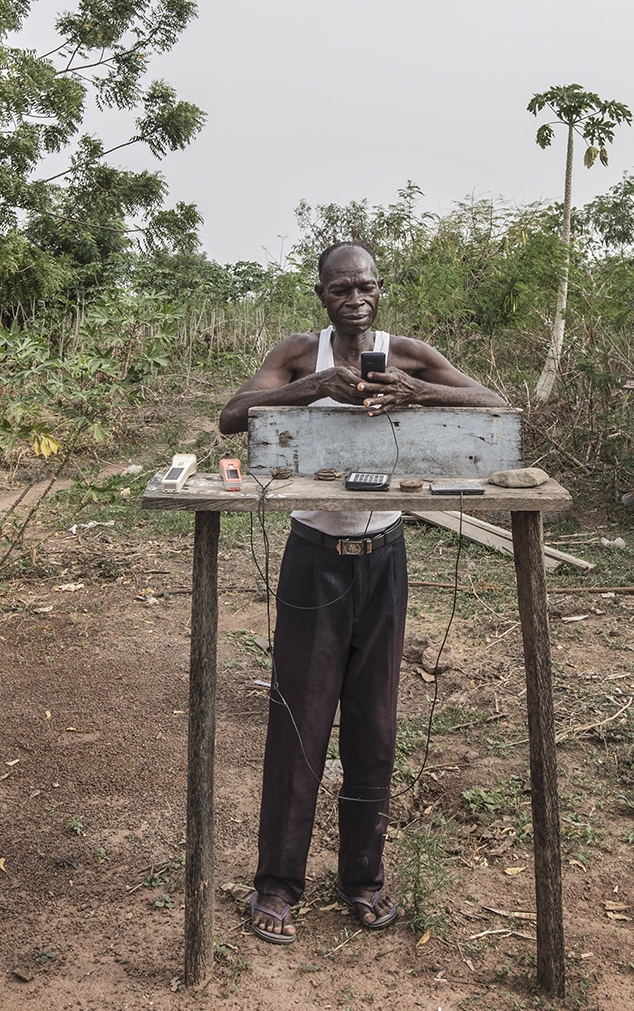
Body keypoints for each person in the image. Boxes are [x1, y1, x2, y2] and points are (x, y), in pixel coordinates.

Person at [219, 241, 506, 944]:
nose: (356, 298)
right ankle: (277, 885)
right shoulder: (298, 352)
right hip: (313, 556)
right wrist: (311, 388)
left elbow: (496, 404)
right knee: (299, 723)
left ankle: (363, 878)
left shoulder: (405, 353)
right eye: (342, 287)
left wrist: (419, 393)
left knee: (374, 723)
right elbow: (232, 417)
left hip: (383, 556)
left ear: (381, 291)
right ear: (321, 294)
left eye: (367, 286)